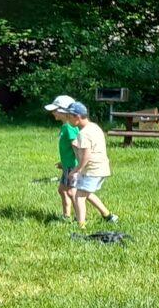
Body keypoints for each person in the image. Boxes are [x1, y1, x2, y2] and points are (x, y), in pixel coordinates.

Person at [68, 101, 118, 230]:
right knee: (87, 193)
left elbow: (86, 156)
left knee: (79, 196)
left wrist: (76, 170)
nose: (68, 120)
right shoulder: (94, 127)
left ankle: (81, 226)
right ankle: (108, 216)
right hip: (103, 168)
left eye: (69, 117)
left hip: (92, 170)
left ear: (77, 117)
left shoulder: (83, 134)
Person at [44, 92, 79, 222]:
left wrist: (78, 166)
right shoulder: (65, 126)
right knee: (62, 190)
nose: (53, 113)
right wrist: (62, 162)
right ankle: (66, 215)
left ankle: (80, 217)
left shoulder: (70, 127)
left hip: (72, 166)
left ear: (64, 111)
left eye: (55, 110)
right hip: (67, 164)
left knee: (71, 192)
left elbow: (76, 146)